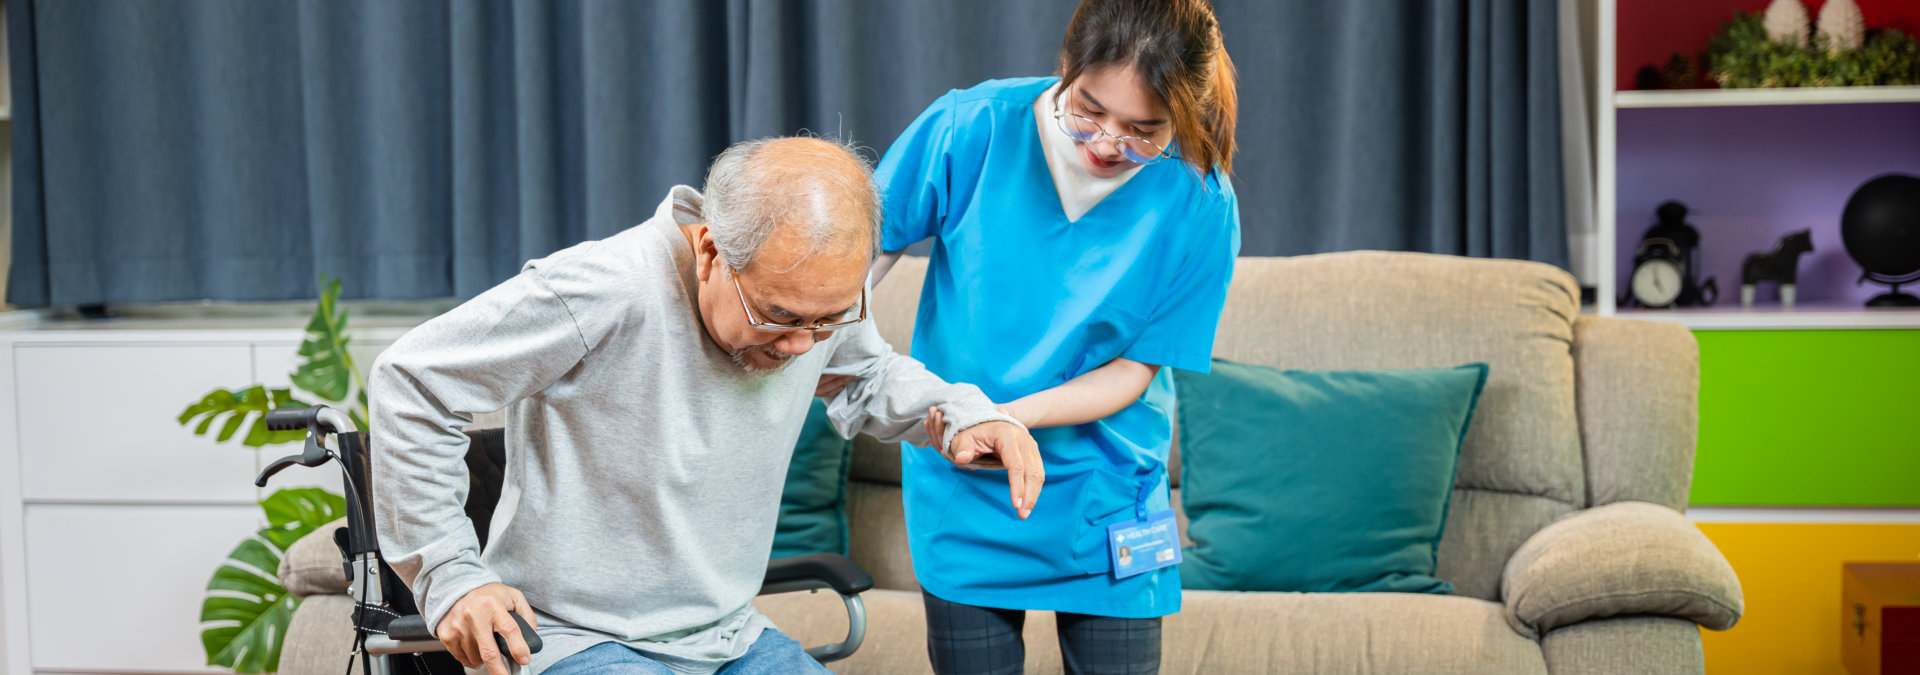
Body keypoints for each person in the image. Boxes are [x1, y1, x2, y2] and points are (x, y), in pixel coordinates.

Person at [369, 137, 1046, 675]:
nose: (800, 345)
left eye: (827, 320)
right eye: (778, 316)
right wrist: (452, 576)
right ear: (709, 249)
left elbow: (868, 372)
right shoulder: (601, 290)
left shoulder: (813, 309)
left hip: (727, 634)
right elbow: (412, 378)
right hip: (572, 638)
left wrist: (964, 411)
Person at [833, 0, 1241, 672]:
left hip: (1107, 491)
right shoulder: (973, 128)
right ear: (1064, 66)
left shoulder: (1201, 199)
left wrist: (1005, 418)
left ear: (1183, 115)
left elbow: (1132, 372)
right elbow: (852, 261)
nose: (1108, 143)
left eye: (1146, 130)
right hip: (968, 475)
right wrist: (837, 346)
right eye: (1087, 109)